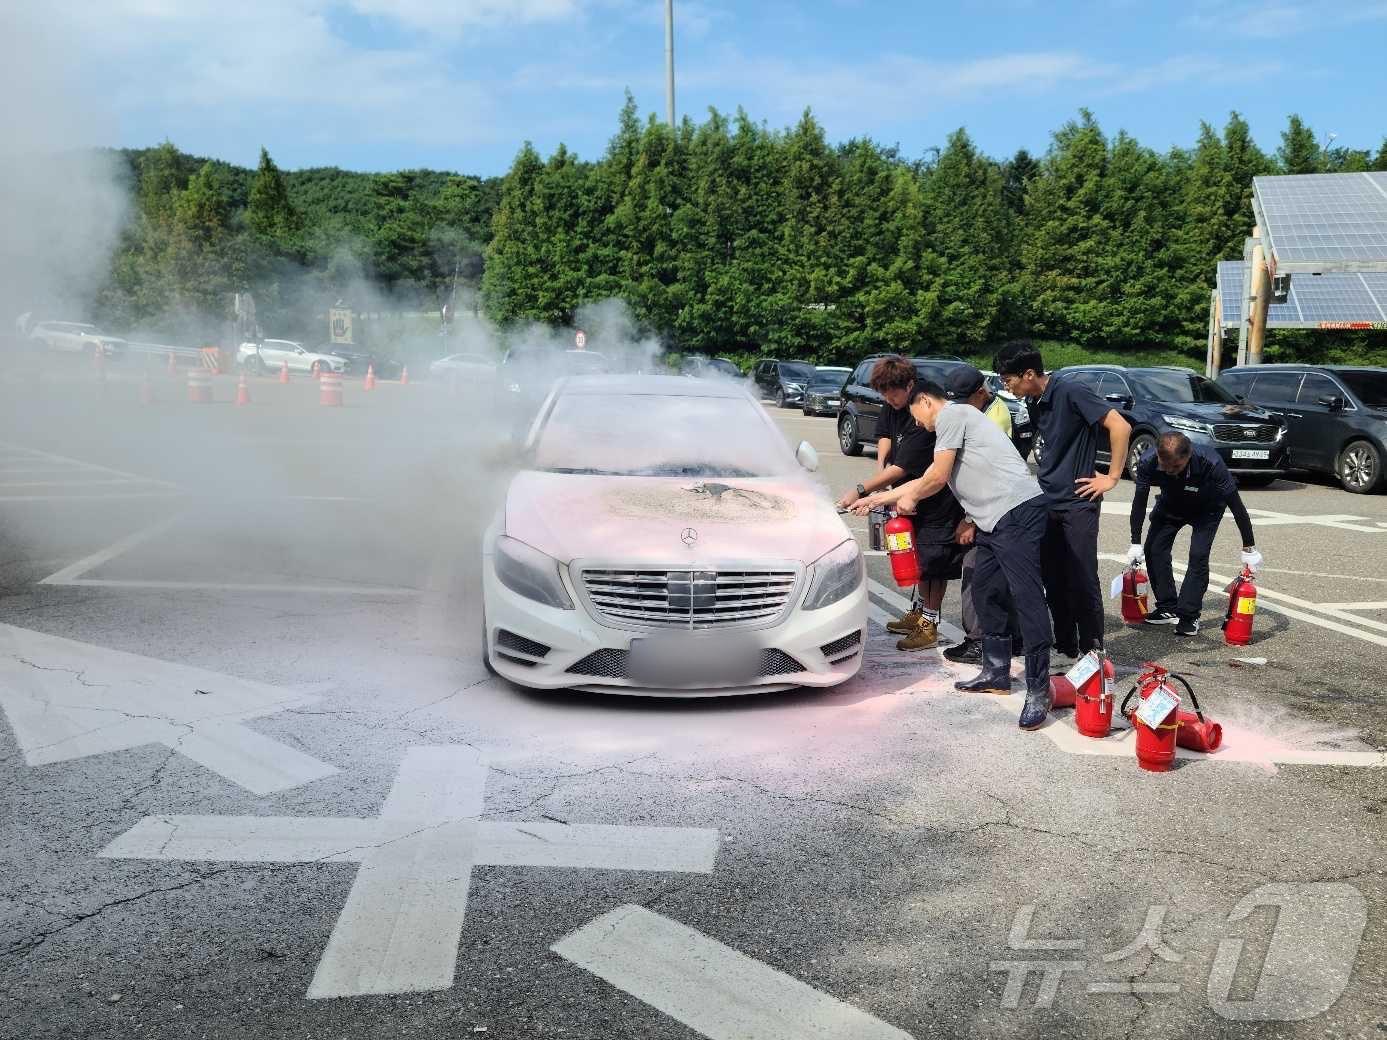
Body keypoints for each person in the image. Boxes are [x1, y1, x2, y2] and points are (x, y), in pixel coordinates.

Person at [857, 380, 1055, 730]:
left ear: (925, 401)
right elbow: (924, 478)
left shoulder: (953, 415)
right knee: (985, 590)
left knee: (1026, 598)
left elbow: (936, 477)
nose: (918, 424)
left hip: (1017, 512)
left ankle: (1039, 689)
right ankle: (996, 672)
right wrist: (874, 498)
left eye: (915, 416)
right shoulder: (954, 423)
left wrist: (911, 498)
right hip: (991, 521)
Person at [994, 342, 1131, 666]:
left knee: (1082, 577)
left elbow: (1120, 426)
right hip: (1047, 500)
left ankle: (1092, 649)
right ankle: (1066, 644)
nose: (1006, 386)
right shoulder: (1034, 401)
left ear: (1029, 374)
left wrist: (1112, 477)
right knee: (1053, 578)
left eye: (1008, 379)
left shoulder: (1070, 391)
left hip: (1077, 502)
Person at [839, 357, 965, 652]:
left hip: (935, 497)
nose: (889, 400)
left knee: (934, 562)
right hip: (908, 494)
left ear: (910, 386)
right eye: (884, 394)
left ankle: (929, 624)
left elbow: (904, 467)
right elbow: (885, 437)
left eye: (893, 394)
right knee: (916, 556)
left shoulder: (924, 412)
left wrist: (863, 490)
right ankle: (919, 613)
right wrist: (880, 473)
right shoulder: (894, 402)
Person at [1128, 431, 1262, 637]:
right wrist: (1135, 541)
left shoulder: (1211, 462)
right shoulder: (1148, 461)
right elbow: (1139, 500)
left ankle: (1189, 615)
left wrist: (1249, 547)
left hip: (1207, 509)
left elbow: (1237, 506)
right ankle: (1167, 606)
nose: (1170, 471)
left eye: (1176, 467)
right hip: (1170, 504)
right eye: (1165, 466)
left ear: (1188, 455)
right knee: (1153, 549)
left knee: (1198, 555)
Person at [941, 365, 1020, 665]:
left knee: (977, 573)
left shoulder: (993, 416)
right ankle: (1012, 639)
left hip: (992, 510)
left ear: (980, 393)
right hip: (995, 508)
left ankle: (979, 640)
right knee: (999, 576)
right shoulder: (978, 409)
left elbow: (986, 473)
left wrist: (970, 520)